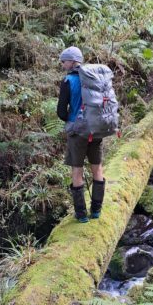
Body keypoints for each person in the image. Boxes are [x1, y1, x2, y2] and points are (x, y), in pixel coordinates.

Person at [57, 46, 105, 223]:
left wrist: (71, 116)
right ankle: (97, 211)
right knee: (97, 168)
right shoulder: (95, 78)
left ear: (72, 61)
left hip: (77, 133)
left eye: (64, 61)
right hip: (96, 130)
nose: (63, 64)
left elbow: (61, 112)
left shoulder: (68, 81)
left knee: (77, 171)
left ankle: (81, 215)